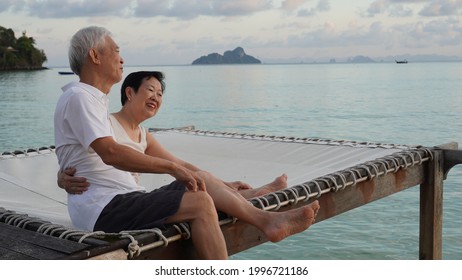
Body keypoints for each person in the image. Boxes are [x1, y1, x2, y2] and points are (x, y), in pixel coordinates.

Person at [54, 26, 320, 259]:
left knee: (198, 181)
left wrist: (192, 174)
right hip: (105, 208)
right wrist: (172, 170)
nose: (122, 59)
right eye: (115, 50)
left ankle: (251, 205)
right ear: (95, 55)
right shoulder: (81, 96)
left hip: (122, 200)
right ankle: (266, 222)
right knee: (200, 202)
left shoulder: (92, 101)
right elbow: (111, 153)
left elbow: (75, 151)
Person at [59, 71, 290, 200]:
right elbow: (79, 152)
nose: (156, 97)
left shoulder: (143, 135)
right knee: (195, 191)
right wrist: (61, 178)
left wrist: (222, 182)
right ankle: (253, 196)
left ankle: (244, 193)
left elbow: (179, 163)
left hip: (133, 198)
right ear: (129, 93)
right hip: (108, 204)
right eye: (150, 90)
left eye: (160, 94)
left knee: (197, 181)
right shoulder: (105, 123)